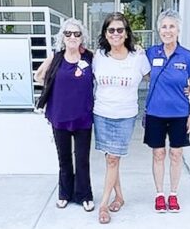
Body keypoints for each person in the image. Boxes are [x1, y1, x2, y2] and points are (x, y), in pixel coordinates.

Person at [93, 12, 151, 224]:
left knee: (113, 158)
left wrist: (181, 87)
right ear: (105, 34)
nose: (115, 34)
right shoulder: (98, 56)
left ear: (126, 33)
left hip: (125, 115)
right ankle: (119, 197)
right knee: (111, 158)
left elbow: (155, 77)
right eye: (111, 30)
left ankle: (103, 205)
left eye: (120, 29)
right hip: (101, 113)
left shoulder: (138, 57)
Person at [34, 18, 95, 212]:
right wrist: (47, 73)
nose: (72, 37)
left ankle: (84, 195)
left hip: (83, 117)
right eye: (68, 33)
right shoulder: (56, 57)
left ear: (82, 37)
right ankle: (64, 194)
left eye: (76, 34)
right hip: (59, 116)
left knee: (82, 159)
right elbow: (38, 76)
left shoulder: (90, 58)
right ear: (62, 37)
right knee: (64, 158)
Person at [143, 9, 190, 213]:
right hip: (155, 113)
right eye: (164, 26)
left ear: (178, 30)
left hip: (179, 114)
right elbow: (147, 75)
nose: (167, 30)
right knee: (158, 154)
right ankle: (159, 194)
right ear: (159, 30)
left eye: (171, 26)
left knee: (176, 155)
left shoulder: (188, 56)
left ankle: (173, 194)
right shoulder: (151, 53)